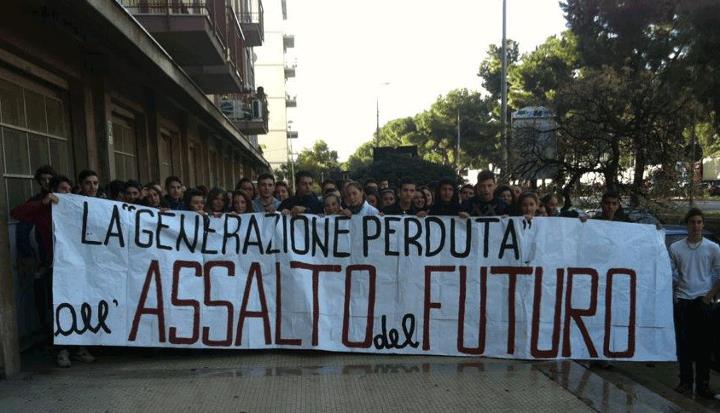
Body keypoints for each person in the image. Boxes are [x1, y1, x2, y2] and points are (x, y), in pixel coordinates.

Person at [12, 175, 95, 367]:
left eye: (69, 189)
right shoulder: (43, 210)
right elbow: (17, 213)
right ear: (53, 192)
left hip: (79, 269)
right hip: (56, 268)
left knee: (80, 308)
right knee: (59, 310)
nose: (66, 193)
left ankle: (80, 348)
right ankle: (63, 351)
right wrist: (43, 203)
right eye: (62, 189)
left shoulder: (77, 207)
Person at [669, 208, 720, 398]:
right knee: (684, 346)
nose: (696, 226)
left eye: (699, 222)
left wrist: (709, 296)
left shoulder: (713, 248)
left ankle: (703, 385)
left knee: (704, 347)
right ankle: (685, 382)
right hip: (683, 300)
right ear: (687, 225)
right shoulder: (675, 248)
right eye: (692, 222)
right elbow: (670, 274)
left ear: (703, 224)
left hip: (702, 301)